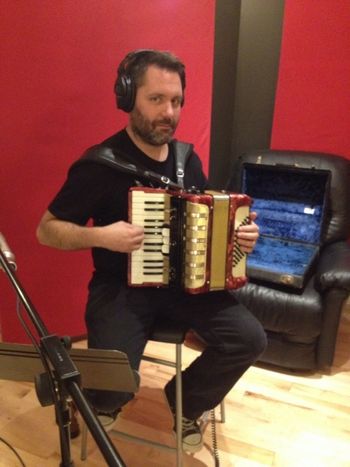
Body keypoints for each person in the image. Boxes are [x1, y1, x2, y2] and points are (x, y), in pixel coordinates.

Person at [36, 49, 267, 453]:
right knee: (114, 390)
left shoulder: (186, 160)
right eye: (156, 99)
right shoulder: (101, 165)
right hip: (120, 288)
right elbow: (47, 231)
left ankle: (186, 402)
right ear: (128, 98)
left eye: (176, 101)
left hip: (185, 285)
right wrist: (102, 237)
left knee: (250, 339)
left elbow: (209, 216)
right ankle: (88, 396)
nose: (169, 113)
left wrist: (240, 235)